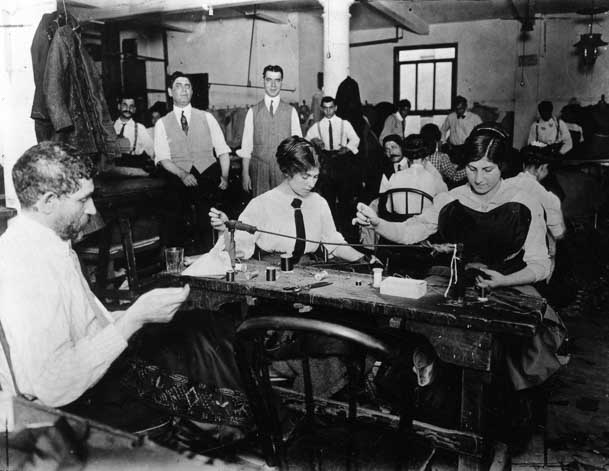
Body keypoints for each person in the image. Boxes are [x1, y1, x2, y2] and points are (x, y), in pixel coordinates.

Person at [355, 123, 566, 393]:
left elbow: (540, 264)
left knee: (520, 344)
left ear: (502, 166)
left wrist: (504, 280)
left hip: (508, 281)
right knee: (424, 329)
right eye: (472, 168)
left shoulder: (525, 202)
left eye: (488, 170)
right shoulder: (450, 199)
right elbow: (410, 231)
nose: (478, 179)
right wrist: (378, 223)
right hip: (455, 278)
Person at [0, 142, 190, 408]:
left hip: (88, 384)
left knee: (195, 330)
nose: (91, 210)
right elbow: (54, 385)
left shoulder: (48, 245)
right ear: (48, 203)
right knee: (201, 346)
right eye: (82, 200)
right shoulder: (29, 267)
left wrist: (139, 312)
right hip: (66, 410)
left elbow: (86, 327)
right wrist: (134, 318)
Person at [210, 136, 365, 264]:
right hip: (271, 277)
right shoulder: (261, 204)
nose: (311, 183)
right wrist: (224, 230)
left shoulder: (319, 202)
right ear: (287, 172)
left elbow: (334, 243)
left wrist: (364, 260)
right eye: (305, 177)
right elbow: (239, 249)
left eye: (315, 176)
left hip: (311, 272)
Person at [154, 71, 231, 253]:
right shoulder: (162, 123)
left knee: (209, 224)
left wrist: (225, 176)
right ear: (170, 92)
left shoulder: (207, 117)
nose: (184, 90)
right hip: (179, 177)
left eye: (187, 86)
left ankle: (211, 261)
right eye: (178, 86)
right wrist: (183, 174)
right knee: (178, 225)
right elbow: (164, 158)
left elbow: (223, 151)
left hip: (207, 176)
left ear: (192, 91)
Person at [237, 65, 302, 196]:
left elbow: (298, 148)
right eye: (269, 80)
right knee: (261, 211)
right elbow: (246, 147)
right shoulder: (252, 112)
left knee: (283, 209)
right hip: (259, 170)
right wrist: (245, 174)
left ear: (281, 82)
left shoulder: (291, 112)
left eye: (277, 80)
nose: (273, 85)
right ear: (263, 82)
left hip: (284, 171)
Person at [305, 96, 360, 230]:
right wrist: (314, 142)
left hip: (341, 161)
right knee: (328, 197)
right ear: (322, 109)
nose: (328, 111)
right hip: (326, 163)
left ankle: (345, 228)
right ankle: (330, 228)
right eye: (325, 108)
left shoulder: (344, 124)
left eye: (331, 108)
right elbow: (305, 141)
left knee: (345, 197)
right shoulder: (317, 126)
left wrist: (347, 148)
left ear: (335, 108)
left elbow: (355, 139)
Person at [379, 134, 447, 215]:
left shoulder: (395, 177)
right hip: (424, 224)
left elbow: (389, 208)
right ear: (427, 157)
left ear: (407, 157)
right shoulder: (433, 178)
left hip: (399, 223)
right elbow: (444, 202)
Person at [421, 123, 467, 187]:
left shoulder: (419, 156)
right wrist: (469, 168)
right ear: (437, 139)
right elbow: (455, 176)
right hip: (436, 192)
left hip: (422, 191)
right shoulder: (441, 157)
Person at [440, 96, 482, 165]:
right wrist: (444, 142)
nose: (459, 111)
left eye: (461, 109)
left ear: (466, 106)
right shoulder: (451, 116)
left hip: (468, 149)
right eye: (457, 109)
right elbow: (443, 130)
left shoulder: (474, 117)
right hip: (454, 149)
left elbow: (481, 132)